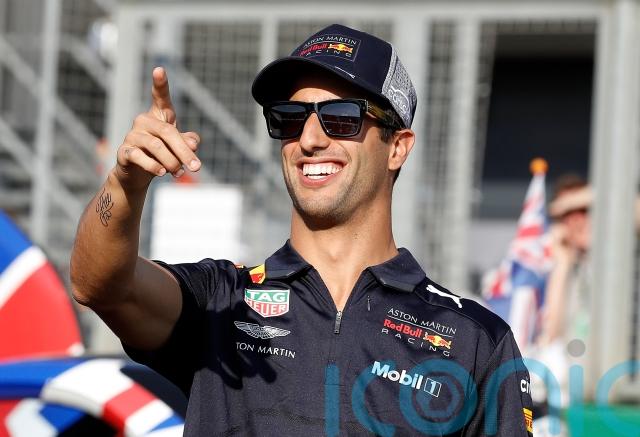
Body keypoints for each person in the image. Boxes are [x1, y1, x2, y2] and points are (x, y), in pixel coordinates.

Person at [71, 24, 533, 436]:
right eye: (290, 118)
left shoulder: (474, 339)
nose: (309, 140)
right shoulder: (222, 300)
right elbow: (99, 285)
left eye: (342, 117)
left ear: (397, 147)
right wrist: (125, 183)